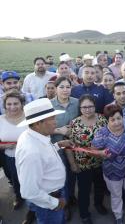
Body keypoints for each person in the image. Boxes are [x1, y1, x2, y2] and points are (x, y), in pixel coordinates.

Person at [15, 98, 74, 224]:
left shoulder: (35, 135)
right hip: (49, 200)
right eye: (52, 118)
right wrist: (54, 202)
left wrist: (58, 145)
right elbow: (29, 191)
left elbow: (44, 154)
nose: (55, 122)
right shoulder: (31, 152)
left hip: (53, 194)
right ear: (37, 123)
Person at [92, 104, 125, 224]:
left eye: (119, 118)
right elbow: (92, 149)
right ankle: (118, 214)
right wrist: (101, 153)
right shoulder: (102, 133)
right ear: (107, 120)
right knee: (116, 194)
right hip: (112, 171)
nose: (117, 122)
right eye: (112, 119)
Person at [67, 95, 108, 224]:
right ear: (80, 108)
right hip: (83, 163)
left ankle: (98, 204)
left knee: (100, 186)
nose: (88, 109)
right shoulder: (74, 123)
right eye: (84, 107)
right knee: (84, 190)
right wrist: (73, 164)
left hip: (101, 161)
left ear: (95, 106)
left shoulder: (102, 119)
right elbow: (69, 145)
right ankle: (84, 213)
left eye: (90, 106)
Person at [50, 76, 80, 221]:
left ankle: (71, 196)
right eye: (61, 87)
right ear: (56, 88)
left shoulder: (76, 102)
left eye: (68, 87)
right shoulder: (49, 105)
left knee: (73, 172)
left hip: (74, 146)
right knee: (62, 176)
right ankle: (65, 204)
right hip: (56, 147)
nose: (65, 90)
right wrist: (59, 130)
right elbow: (42, 128)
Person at [0, 91, 26, 210]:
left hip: (29, 156)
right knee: (15, 180)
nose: (12, 107)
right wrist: (4, 146)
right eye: (9, 104)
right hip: (10, 157)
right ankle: (19, 197)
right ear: (4, 105)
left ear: (22, 104)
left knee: (30, 180)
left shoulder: (30, 117)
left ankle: (33, 207)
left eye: (16, 103)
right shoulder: (1, 120)